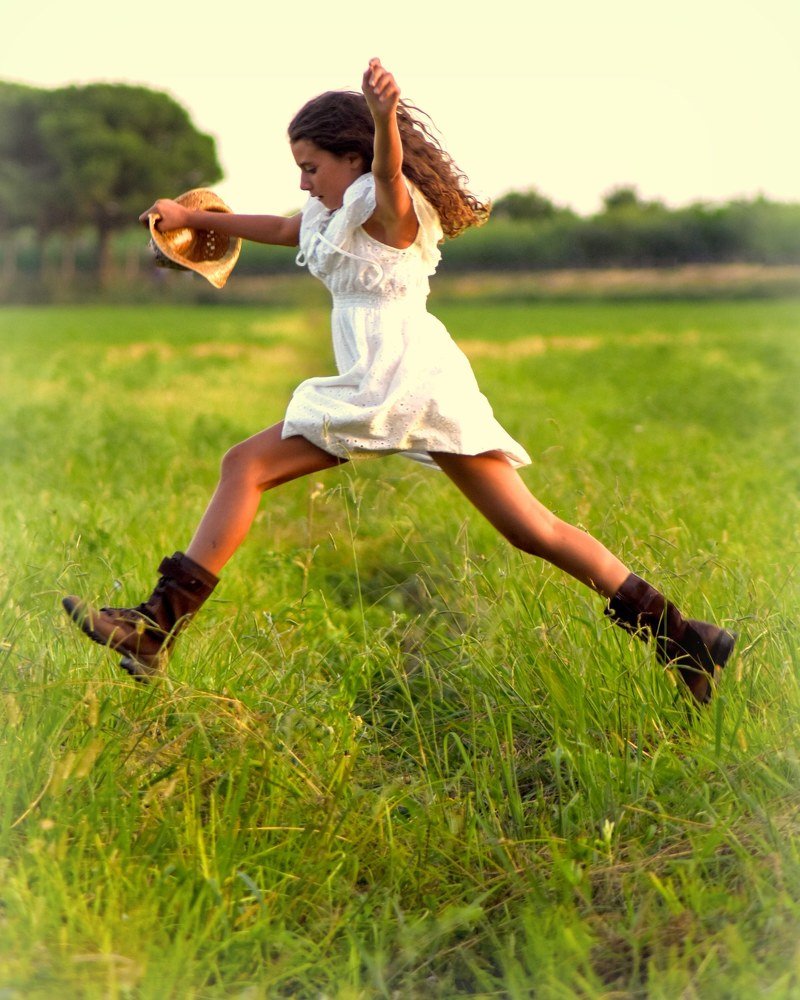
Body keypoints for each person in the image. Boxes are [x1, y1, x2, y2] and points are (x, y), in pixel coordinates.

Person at [63, 59, 735, 704]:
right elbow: (279, 226)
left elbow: (386, 174)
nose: (303, 182)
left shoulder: (388, 205)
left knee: (246, 465)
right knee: (532, 529)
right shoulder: (332, 211)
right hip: (418, 381)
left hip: (396, 378)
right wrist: (195, 219)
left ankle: (155, 628)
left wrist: (383, 119)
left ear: (352, 156)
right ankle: (687, 640)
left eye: (311, 167)